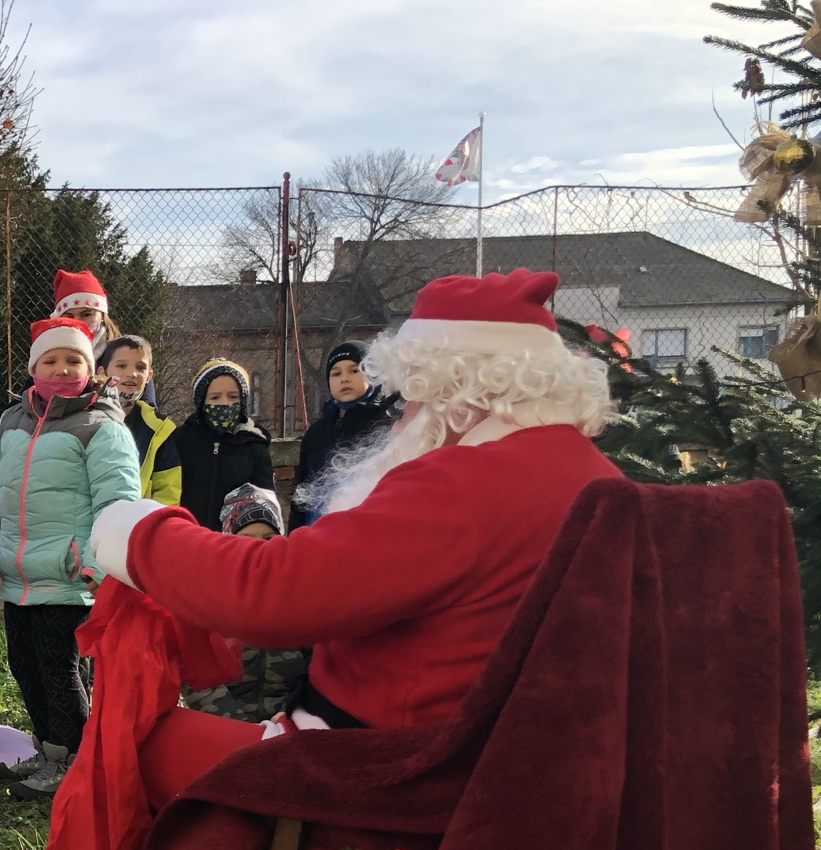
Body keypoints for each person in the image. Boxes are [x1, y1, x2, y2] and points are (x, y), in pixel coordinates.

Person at [87, 268, 625, 810]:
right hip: (500, 763)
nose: (403, 417)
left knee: (143, 746)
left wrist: (134, 530)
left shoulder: (462, 482)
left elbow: (273, 592)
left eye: (412, 395)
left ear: (455, 390)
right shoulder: (598, 476)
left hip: (386, 771)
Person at [0, 317, 145, 799]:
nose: (62, 369)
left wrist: (97, 561)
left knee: (60, 670)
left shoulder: (102, 427)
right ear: (34, 367)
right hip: (17, 572)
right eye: (51, 360)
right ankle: (49, 749)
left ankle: (75, 761)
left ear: (91, 369)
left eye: (75, 360)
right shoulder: (9, 423)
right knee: (23, 663)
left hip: (69, 577)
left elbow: (118, 501)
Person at [180, 484, 304, 724]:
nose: (259, 547)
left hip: (291, 727)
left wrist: (291, 716)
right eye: (246, 539)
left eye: (269, 538)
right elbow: (196, 677)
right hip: (225, 729)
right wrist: (240, 728)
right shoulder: (207, 602)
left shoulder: (300, 599)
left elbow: (318, 667)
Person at [293, 340, 400, 525]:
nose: (344, 378)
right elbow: (301, 492)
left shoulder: (387, 423)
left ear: (372, 374)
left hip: (369, 525)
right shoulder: (316, 434)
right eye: (336, 373)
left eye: (354, 370)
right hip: (318, 530)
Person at [167, 358, 274, 531]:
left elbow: (265, 502)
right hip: (188, 538)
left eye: (233, 397)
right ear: (201, 401)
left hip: (235, 543)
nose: (224, 403)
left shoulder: (254, 445)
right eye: (215, 397)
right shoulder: (180, 440)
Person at [99, 336, 182, 505]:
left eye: (140, 367)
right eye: (121, 366)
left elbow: (167, 492)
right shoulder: (84, 418)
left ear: (149, 376)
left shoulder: (159, 430)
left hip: (138, 524)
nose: (132, 373)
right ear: (102, 372)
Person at [51, 269, 114, 350]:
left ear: (102, 315)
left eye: (86, 314)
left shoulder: (120, 352)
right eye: (68, 317)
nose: (77, 322)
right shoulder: (50, 352)